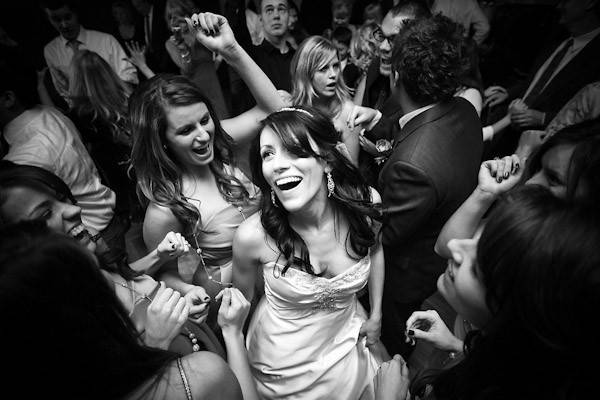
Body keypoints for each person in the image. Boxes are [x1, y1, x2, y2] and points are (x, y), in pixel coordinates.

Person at [0, 162, 262, 400]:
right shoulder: (199, 377)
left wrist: (181, 299)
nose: (74, 208)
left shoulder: (93, 263)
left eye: (61, 199)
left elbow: (130, 277)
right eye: (44, 215)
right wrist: (228, 332)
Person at [376, 186, 600, 399]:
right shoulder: (511, 362)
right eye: (476, 240)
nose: (454, 246)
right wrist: (455, 345)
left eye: (477, 267)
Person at [129, 12, 283, 305]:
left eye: (204, 120)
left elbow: (273, 110)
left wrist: (231, 50)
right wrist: (188, 292)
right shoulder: (166, 208)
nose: (203, 135)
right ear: (162, 140)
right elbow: (163, 273)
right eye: (186, 130)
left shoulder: (217, 142)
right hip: (239, 298)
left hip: (281, 272)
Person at [233, 106, 387, 399]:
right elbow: (241, 311)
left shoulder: (366, 205)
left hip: (345, 342)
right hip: (280, 364)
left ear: (327, 161)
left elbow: (376, 249)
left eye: (294, 151)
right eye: (268, 154)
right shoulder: (251, 237)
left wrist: (376, 312)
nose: (277, 165)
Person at [376, 15, 482, 358]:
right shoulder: (465, 110)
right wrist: (380, 123)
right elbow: (417, 127)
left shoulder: (412, 166)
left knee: (398, 350)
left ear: (396, 76)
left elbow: (383, 233)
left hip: (409, 282)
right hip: (443, 249)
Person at [0, 63, 126, 256]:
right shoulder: (49, 113)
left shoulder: (25, 158)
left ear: (8, 98)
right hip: (106, 216)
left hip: (88, 235)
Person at [435, 119, 600, 261]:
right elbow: (447, 248)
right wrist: (485, 193)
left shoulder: (565, 262)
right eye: (537, 169)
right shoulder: (532, 220)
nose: (530, 183)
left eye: (553, 180)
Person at [482, 0, 600, 156]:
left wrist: (543, 119)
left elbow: (591, 118)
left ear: (589, 3)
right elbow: (537, 80)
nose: (559, 5)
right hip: (508, 132)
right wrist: (509, 94)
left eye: (567, 0)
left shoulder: (596, 56)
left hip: (540, 147)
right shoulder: (557, 36)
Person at [289, 35, 380, 166]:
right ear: (306, 73)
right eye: (323, 68)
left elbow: (352, 170)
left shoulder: (347, 112)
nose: (333, 74)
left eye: (336, 66)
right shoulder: (291, 107)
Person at [68, 49, 137, 217]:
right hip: (142, 164)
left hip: (119, 182)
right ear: (106, 70)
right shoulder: (128, 94)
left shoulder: (81, 114)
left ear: (77, 79)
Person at [41, 0, 138, 104]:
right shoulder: (51, 51)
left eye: (68, 17)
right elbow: (63, 90)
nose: (64, 25)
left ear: (76, 14)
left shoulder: (106, 40)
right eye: (56, 20)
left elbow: (129, 77)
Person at [165, 0, 229, 119]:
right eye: (171, 18)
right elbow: (187, 69)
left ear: (187, 15)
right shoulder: (171, 43)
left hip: (214, 85)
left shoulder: (201, 34)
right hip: (195, 91)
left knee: (223, 120)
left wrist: (216, 63)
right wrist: (182, 47)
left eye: (179, 16)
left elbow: (220, 49)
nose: (176, 22)